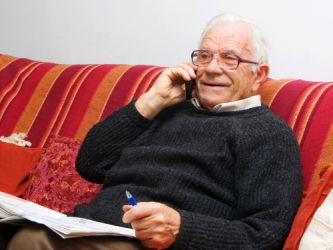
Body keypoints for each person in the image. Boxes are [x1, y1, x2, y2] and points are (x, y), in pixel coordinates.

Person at [6, 13, 303, 250]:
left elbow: (266, 234)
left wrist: (181, 229)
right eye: (204, 56)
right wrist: (153, 100)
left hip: (150, 245)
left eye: (230, 58)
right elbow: (89, 164)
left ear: (258, 75)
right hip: (86, 229)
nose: (212, 68)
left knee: (28, 243)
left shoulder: (268, 133)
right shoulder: (166, 107)